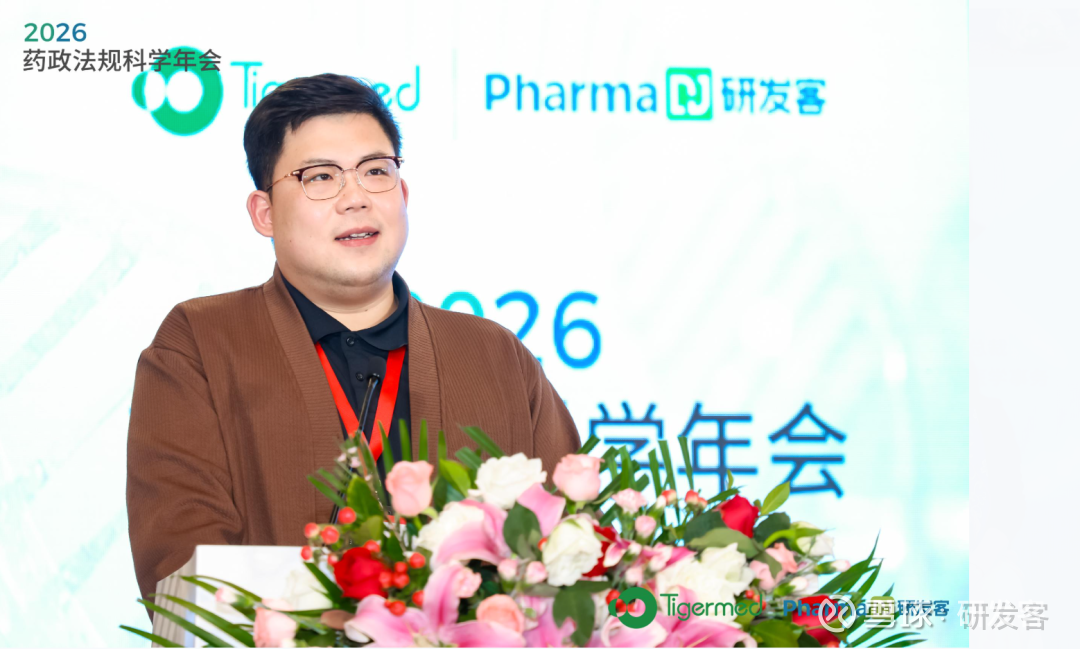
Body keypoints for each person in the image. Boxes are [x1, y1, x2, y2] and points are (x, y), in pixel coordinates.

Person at [125, 73, 581, 606]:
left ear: (403, 193)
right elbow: (184, 571)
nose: (356, 198)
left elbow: (573, 546)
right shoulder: (200, 344)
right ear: (264, 213)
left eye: (376, 171)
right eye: (320, 177)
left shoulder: (492, 353)